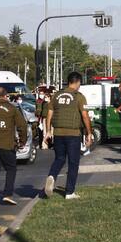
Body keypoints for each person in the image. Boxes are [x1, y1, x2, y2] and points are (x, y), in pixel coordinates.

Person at [45, 72, 92, 200]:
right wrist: (89, 133)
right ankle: (69, 192)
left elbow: (49, 113)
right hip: (73, 134)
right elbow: (84, 115)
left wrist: (48, 130)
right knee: (73, 162)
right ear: (77, 82)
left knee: (59, 158)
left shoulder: (56, 95)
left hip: (58, 133)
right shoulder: (79, 96)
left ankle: (52, 176)